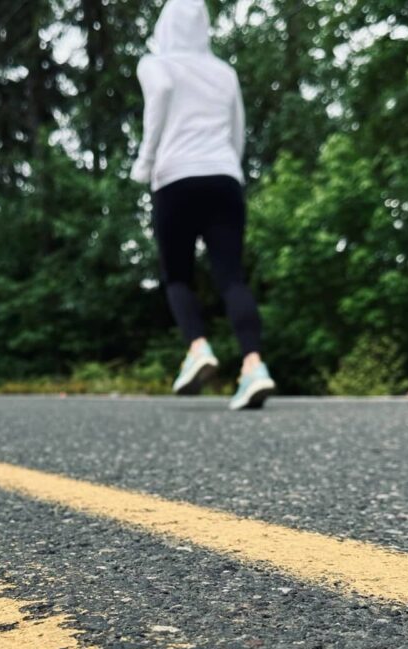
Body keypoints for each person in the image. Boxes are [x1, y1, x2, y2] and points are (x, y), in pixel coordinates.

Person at [131, 0, 276, 411]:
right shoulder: (224, 72)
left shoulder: (155, 64)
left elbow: (158, 97)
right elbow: (238, 130)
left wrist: (145, 163)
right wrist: (230, 166)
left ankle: (198, 347)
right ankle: (253, 366)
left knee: (177, 276)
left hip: (175, 177)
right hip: (224, 176)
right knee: (232, 277)